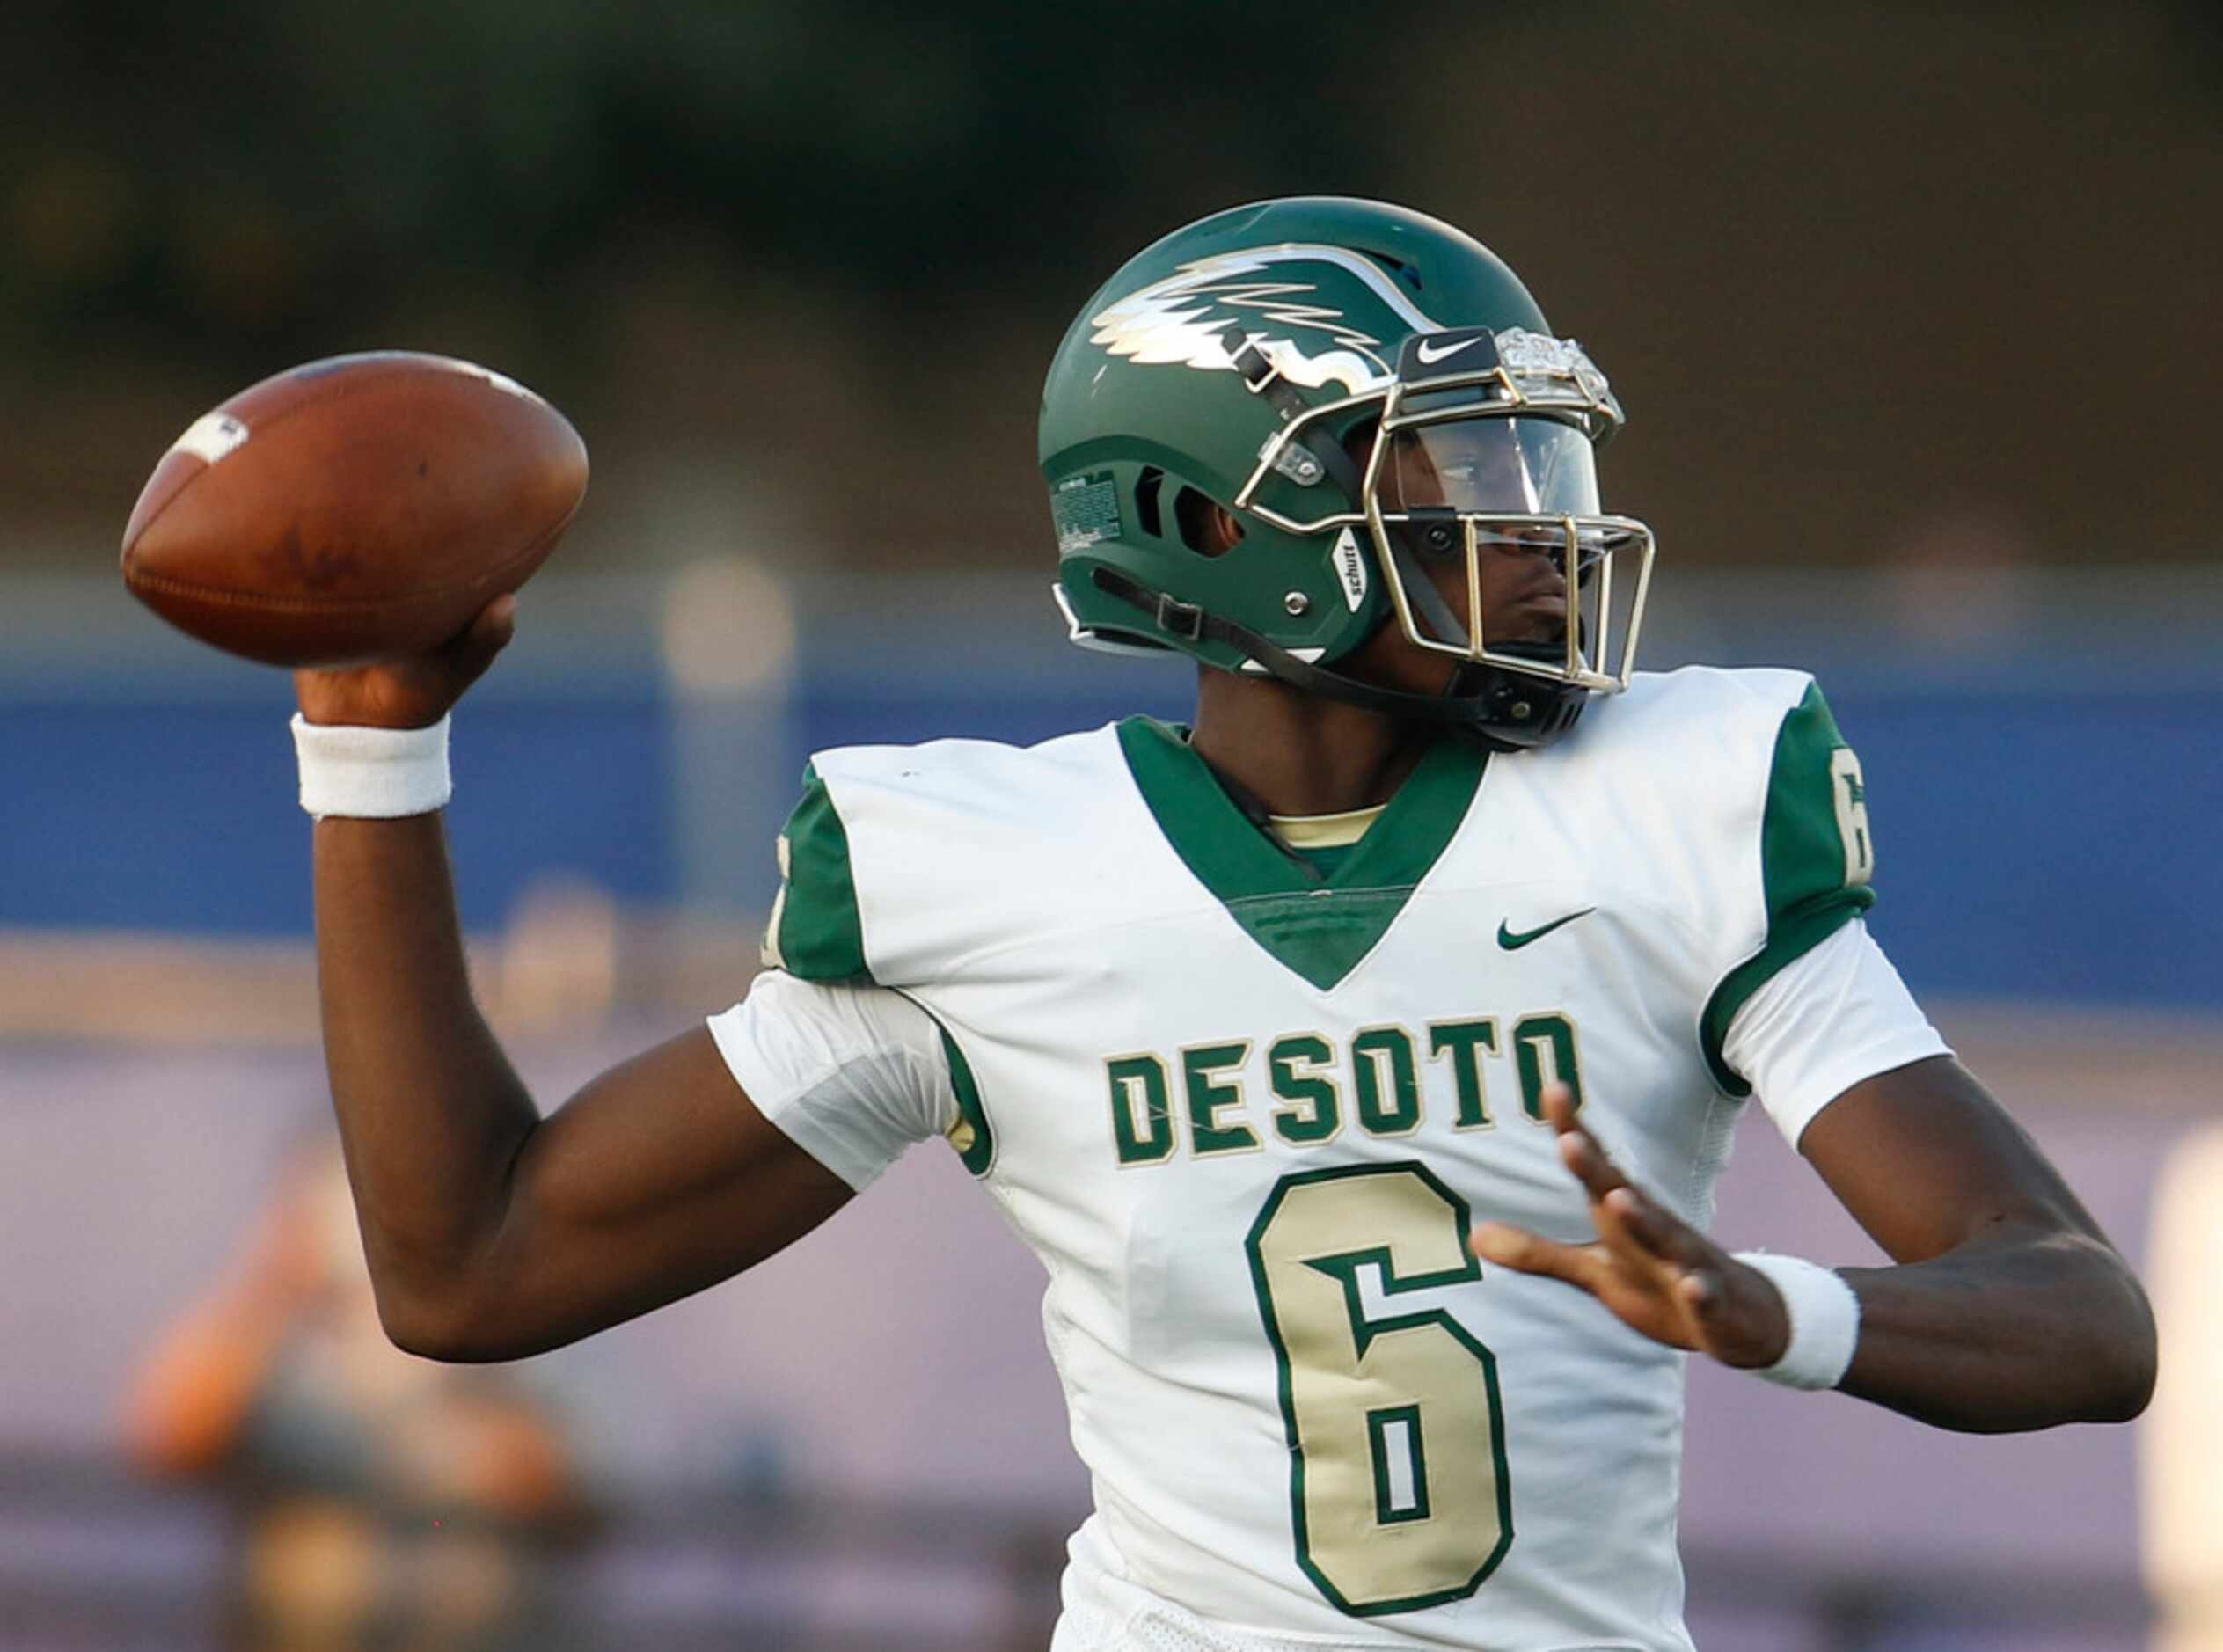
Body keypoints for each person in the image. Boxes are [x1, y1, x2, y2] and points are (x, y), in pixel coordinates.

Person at [282, 198, 2154, 1651]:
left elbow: (2077, 1315)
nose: (1535, 536)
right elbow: (476, 1270)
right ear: (1213, 518)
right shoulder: (991, 886)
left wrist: (1781, 1308)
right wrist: (372, 759)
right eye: (1459, 471)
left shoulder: (1667, 807)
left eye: (1534, 465)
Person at [121, 1136, 593, 1651]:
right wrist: (275, 1279)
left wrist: (483, 1328)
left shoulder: (535, 1342)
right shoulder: (281, 1366)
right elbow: (166, 1438)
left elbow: (587, 1499)